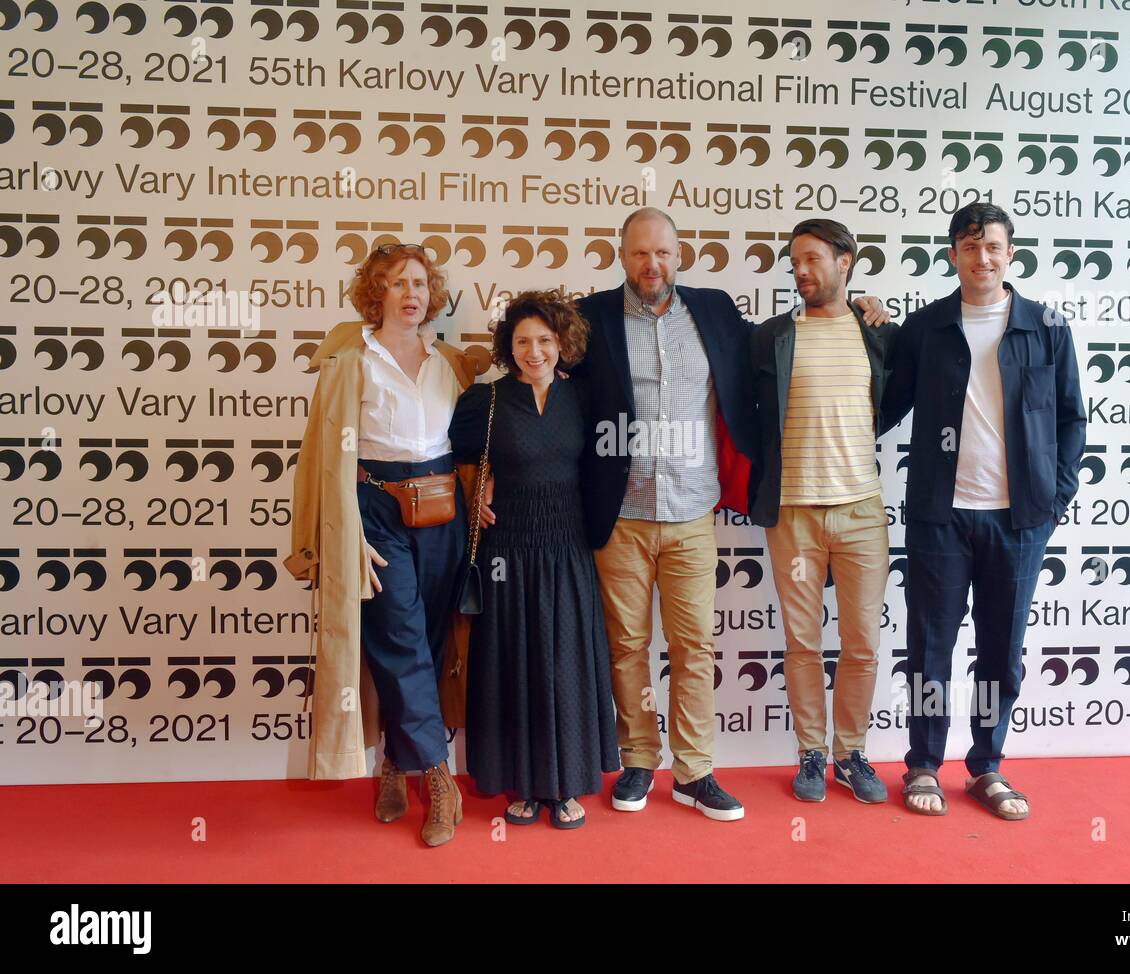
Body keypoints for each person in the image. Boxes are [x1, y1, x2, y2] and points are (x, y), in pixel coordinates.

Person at [572, 206, 890, 821]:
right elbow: (548, 374)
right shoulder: (591, 318)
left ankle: (694, 772)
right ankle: (639, 758)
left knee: (696, 647)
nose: (651, 264)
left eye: (662, 252)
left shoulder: (714, 311)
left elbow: (788, 348)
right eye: (639, 253)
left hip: (694, 510)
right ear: (622, 256)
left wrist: (861, 307)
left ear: (679, 254)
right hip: (621, 513)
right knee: (628, 646)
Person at [880, 202, 1086, 820]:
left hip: (1018, 519)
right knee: (930, 647)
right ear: (953, 257)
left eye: (993, 247)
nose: (982, 258)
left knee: (1001, 651)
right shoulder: (926, 328)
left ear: (1010, 254)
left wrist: (1054, 500)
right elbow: (883, 409)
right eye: (970, 248)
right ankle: (923, 764)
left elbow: (1072, 418)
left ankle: (987, 767)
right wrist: (869, 335)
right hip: (941, 516)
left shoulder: (1046, 326)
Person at [284, 243, 482, 848]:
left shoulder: (451, 361)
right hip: (377, 513)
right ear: (377, 293)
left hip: (445, 511)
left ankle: (396, 761)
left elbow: (474, 445)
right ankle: (440, 777)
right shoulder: (350, 360)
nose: (411, 292)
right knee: (398, 638)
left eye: (420, 282)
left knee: (427, 641)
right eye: (396, 282)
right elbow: (324, 459)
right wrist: (347, 531)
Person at [448, 290, 619, 830]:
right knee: (511, 665)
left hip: (568, 549)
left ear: (562, 342)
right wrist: (480, 488)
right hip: (509, 555)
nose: (534, 351)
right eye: (523, 341)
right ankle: (523, 785)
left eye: (544, 340)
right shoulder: (486, 401)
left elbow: (604, 466)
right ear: (509, 346)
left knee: (566, 664)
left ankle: (565, 785)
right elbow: (454, 459)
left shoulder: (585, 398)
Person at [749, 218, 900, 805]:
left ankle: (851, 752)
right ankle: (811, 752)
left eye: (812, 259)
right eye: (795, 263)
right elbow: (747, 410)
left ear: (846, 261)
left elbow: (895, 400)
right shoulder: (771, 338)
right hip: (795, 514)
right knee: (803, 642)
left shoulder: (880, 333)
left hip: (861, 508)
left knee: (862, 641)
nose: (801, 272)